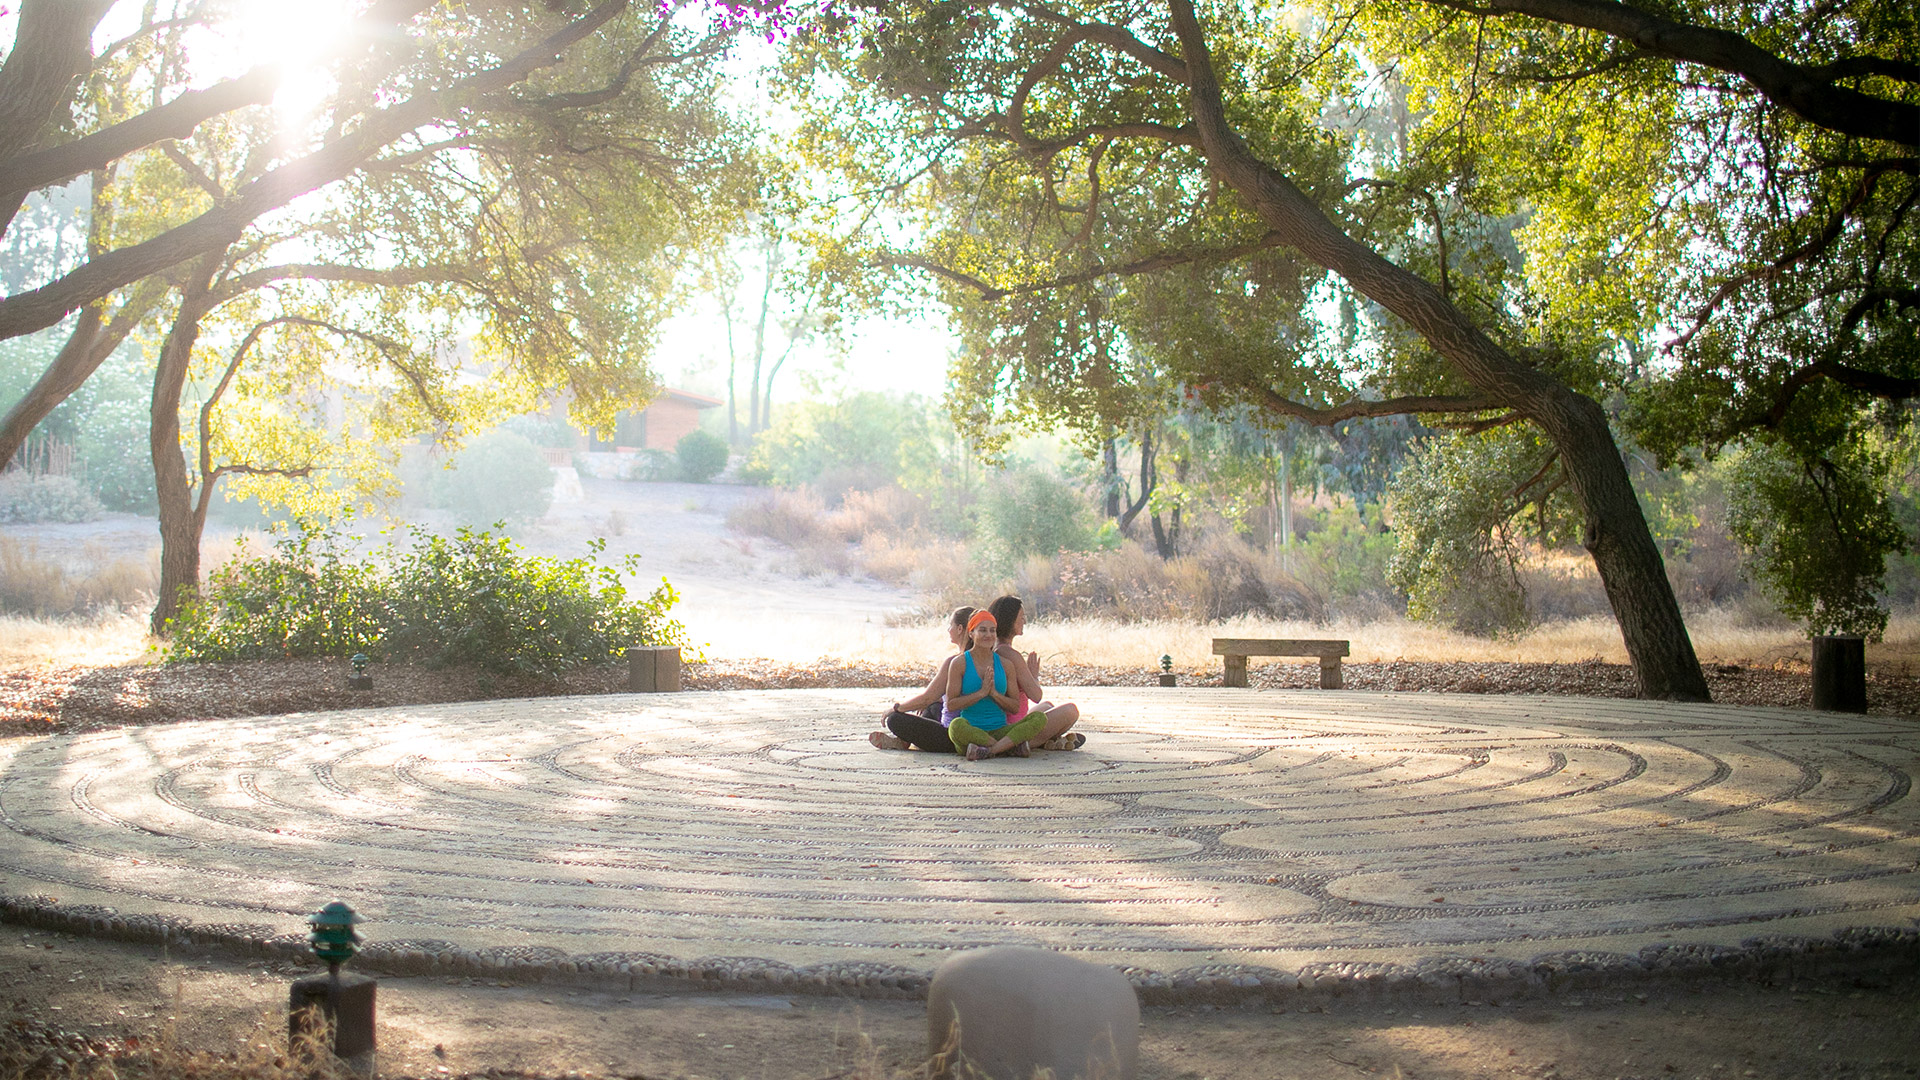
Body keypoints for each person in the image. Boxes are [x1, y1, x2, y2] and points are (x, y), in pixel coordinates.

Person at [869, 606, 976, 752]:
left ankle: (904, 740)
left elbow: (926, 697)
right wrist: (933, 700)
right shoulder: (988, 659)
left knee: (895, 719)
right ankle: (903, 741)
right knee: (933, 706)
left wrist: (895, 708)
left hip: (953, 736)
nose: (948, 630)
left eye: (950, 625)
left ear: (960, 629)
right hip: (975, 730)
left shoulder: (956, 662)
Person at [984, 594, 1084, 750]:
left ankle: (1049, 741)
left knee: (1047, 706)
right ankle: (1020, 744)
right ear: (1010, 620)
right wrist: (1034, 676)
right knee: (1071, 711)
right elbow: (1036, 696)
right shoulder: (1011, 655)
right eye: (1021, 617)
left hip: (1004, 722)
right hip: (1011, 726)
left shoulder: (993, 649)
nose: (1024, 621)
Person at [945, 609, 1047, 760]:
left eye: (992, 630)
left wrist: (994, 694)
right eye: (983, 630)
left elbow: (1014, 707)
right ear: (971, 633)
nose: (988, 635)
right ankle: (1006, 748)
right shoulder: (959, 663)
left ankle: (990, 750)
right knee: (956, 726)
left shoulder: (1006, 665)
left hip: (1000, 729)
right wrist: (981, 693)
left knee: (1039, 718)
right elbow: (951, 704)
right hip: (971, 732)